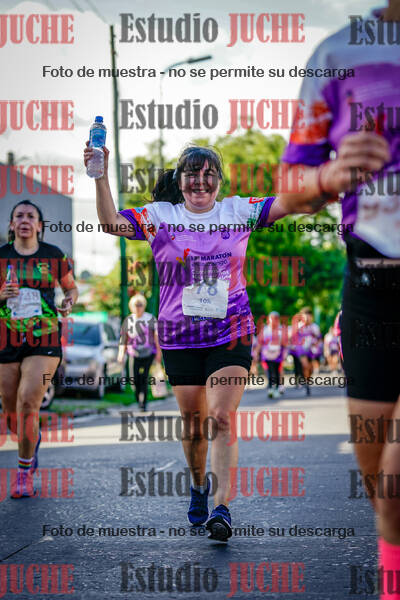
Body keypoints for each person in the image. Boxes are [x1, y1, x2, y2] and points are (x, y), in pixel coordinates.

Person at [84, 141, 288, 541]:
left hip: (230, 332)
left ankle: (222, 509)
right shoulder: (161, 216)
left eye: (209, 174)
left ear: (220, 181)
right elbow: (110, 223)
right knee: (194, 427)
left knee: (221, 418)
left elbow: (291, 202)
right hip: (180, 337)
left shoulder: (237, 211)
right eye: (192, 174)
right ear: (179, 181)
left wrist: (331, 171)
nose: (200, 181)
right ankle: (198, 486)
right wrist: (100, 175)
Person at [279, 2, 400, 596]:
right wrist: (329, 177)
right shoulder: (337, 53)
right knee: (382, 487)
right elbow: (289, 184)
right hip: (372, 286)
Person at [0, 200, 78, 498]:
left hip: (43, 338)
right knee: (11, 414)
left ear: (39, 225)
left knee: (27, 403)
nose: (24, 220)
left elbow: (71, 288)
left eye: (30, 216)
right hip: (6, 338)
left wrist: (69, 301)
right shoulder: (2, 257)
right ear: (11, 224)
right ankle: (31, 441)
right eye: (18, 216)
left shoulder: (53, 255)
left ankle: (23, 472)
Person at [118, 293, 161, 411]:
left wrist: (159, 353)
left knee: (144, 378)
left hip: (148, 353)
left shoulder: (150, 318)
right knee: (134, 379)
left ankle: (143, 403)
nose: (138, 307)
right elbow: (124, 338)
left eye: (140, 305)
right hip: (134, 353)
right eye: (136, 305)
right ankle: (137, 398)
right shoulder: (129, 320)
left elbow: (156, 337)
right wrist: (121, 353)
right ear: (131, 306)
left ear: (144, 306)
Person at [256, 311, 286, 398]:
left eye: (275, 319)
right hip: (267, 355)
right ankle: (270, 388)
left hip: (278, 355)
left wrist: (285, 353)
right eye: (271, 318)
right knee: (269, 371)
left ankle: (277, 388)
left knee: (277, 372)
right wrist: (256, 353)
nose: (273, 321)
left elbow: (285, 343)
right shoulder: (265, 330)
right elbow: (260, 343)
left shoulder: (281, 330)